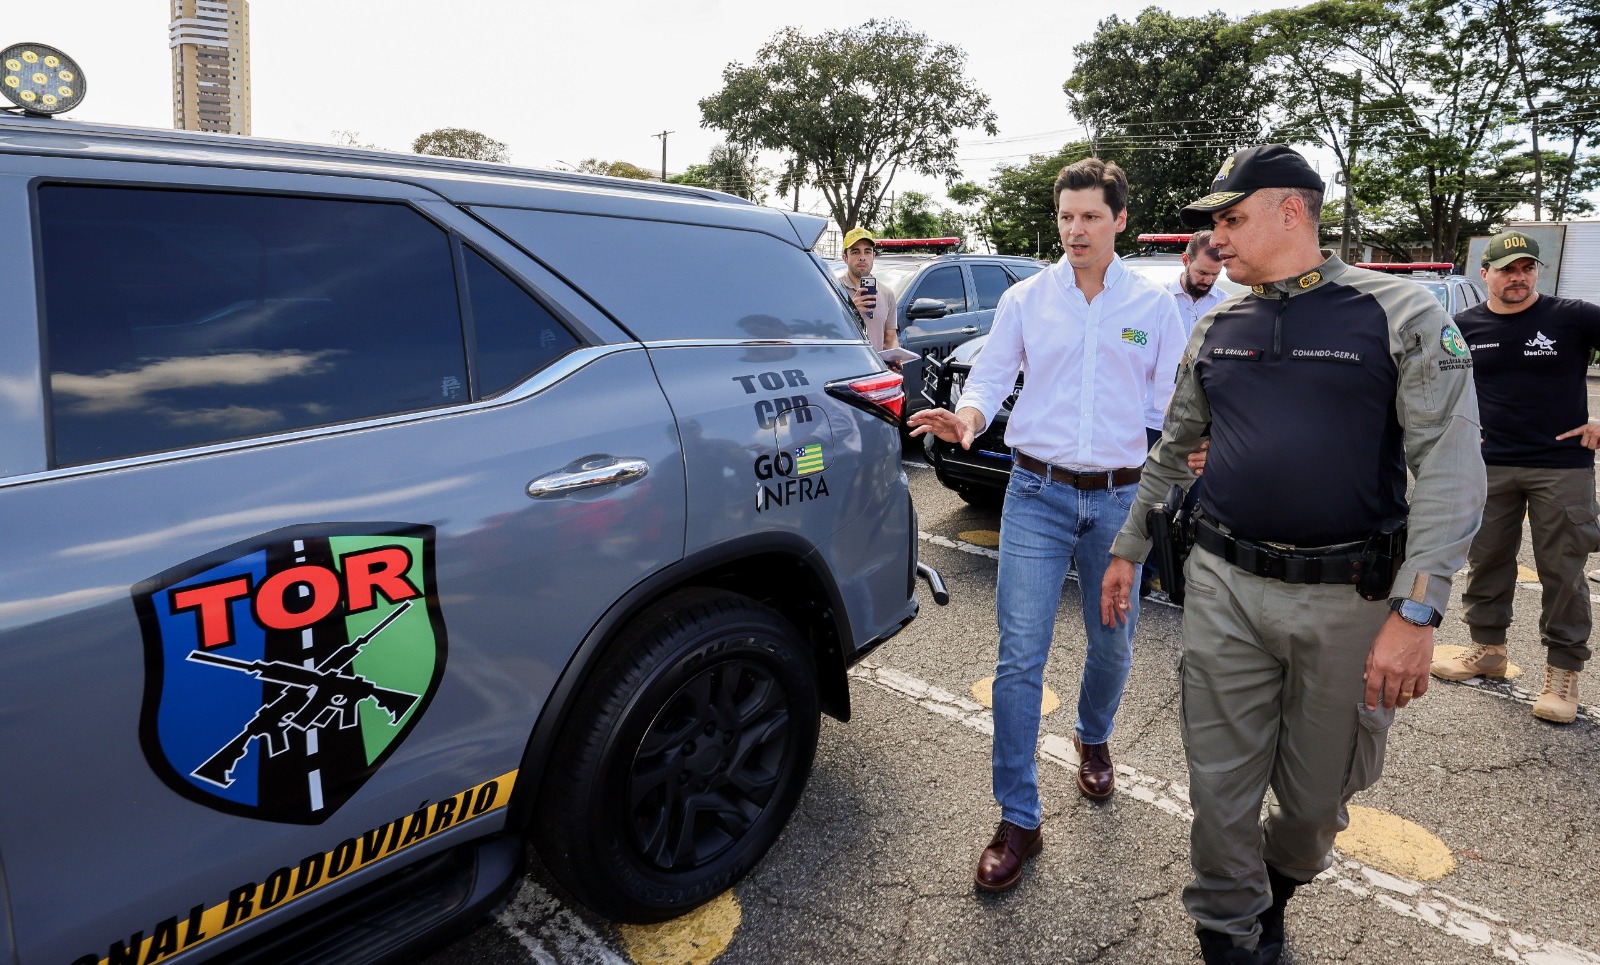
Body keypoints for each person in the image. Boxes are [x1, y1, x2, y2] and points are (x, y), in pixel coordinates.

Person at [1099, 144, 1485, 965]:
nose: (1217, 239)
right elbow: (1173, 451)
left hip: (1349, 600)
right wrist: (1128, 546)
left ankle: (1278, 881)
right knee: (1219, 790)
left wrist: (1419, 609)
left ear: (1291, 212)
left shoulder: (1401, 312)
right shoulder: (1217, 324)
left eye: (1232, 219)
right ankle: (1230, 933)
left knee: (1315, 805)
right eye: (1215, 224)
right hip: (1223, 587)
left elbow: (1451, 464)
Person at [907, 158, 1185, 893]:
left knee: (1113, 643)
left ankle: (1093, 737)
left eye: (1091, 216)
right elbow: (992, 378)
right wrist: (967, 419)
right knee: (1019, 657)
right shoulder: (1028, 299)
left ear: (1120, 220)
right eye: (1066, 217)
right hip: (1034, 493)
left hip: (1121, 502)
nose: (1075, 230)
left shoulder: (1154, 308)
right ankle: (1018, 818)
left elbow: (1168, 414)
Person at [1430, 230, 1600, 723]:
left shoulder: (1571, 317)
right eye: (1508, 269)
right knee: (1487, 561)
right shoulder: (1462, 325)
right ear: (1485, 273)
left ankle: (1563, 672)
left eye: (1527, 269)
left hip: (1561, 464)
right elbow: (1442, 387)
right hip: (1489, 465)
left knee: (1563, 570)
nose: (1519, 278)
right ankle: (1488, 650)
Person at [838, 227, 899, 354]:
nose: (862, 257)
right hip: (844, 369)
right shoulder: (833, 289)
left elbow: (891, 338)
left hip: (876, 371)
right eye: (855, 252)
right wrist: (851, 311)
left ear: (874, 256)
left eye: (867, 252)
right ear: (845, 258)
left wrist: (894, 358)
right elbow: (826, 334)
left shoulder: (887, 294)